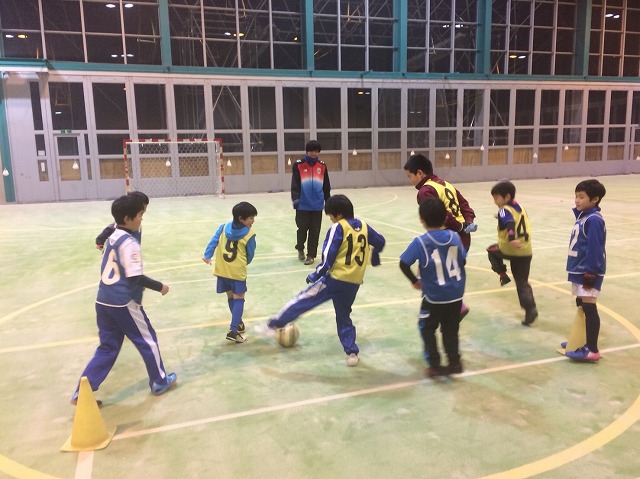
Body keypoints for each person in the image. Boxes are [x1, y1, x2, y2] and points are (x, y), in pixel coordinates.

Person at [71, 194, 175, 405]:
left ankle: (82, 392)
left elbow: (108, 234)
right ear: (128, 218)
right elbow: (135, 277)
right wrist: (160, 287)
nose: (142, 218)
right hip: (124, 302)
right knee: (148, 340)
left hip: (103, 300)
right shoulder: (129, 243)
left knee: (107, 348)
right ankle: (159, 381)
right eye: (140, 214)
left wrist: (100, 239)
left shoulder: (114, 236)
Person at [257, 194, 385, 367]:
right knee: (343, 316)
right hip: (354, 282)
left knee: (302, 300)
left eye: (331, 215)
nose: (330, 219)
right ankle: (352, 352)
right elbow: (381, 242)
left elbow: (328, 256)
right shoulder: (364, 226)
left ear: (338, 214)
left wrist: (316, 274)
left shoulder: (338, 228)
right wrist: (375, 256)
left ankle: (272, 326)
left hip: (335, 280)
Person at [399, 198, 466, 378]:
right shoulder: (455, 237)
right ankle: (455, 362)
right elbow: (462, 260)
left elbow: (404, 263)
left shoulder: (421, 242)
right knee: (451, 330)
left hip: (434, 297)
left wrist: (415, 280)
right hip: (456, 295)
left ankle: (434, 364)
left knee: (427, 328)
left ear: (421, 219)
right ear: (445, 217)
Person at [403, 154, 476, 319]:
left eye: (410, 176)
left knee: (430, 273)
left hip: (445, 239)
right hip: (462, 239)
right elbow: (465, 205)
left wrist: (458, 226)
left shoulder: (425, 191)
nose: (409, 180)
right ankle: (456, 306)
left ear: (420, 173)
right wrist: (467, 224)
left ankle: (434, 310)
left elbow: (439, 213)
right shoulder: (446, 184)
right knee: (451, 273)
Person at [202, 202, 258, 343]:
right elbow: (250, 254)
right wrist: (243, 263)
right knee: (239, 298)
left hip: (222, 269)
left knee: (230, 297)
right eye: (251, 218)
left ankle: (238, 323)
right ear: (241, 219)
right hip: (237, 272)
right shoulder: (249, 234)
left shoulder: (223, 227)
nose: (253, 221)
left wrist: (207, 255)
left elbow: (213, 241)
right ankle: (233, 331)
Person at [564, 179, 606, 362]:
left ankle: (592, 349)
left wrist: (590, 273)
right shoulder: (583, 217)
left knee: (589, 307)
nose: (577, 200)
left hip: (588, 271)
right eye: (576, 196)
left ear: (595, 199)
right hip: (579, 269)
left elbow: (595, 248)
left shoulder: (594, 220)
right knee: (581, 304)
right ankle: (580, 339)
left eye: (581, 197)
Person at [486, 181, 538, 326]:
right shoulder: (520, 208)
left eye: (497, 198)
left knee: (491, 251)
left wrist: (511, 238)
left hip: (509, 248)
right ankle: (530, 309)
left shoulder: (504, 210)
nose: (495, 202)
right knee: (522, 282)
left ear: (507, 197)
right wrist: (499, 217)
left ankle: (502, 275)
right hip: (525, 250)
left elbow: (510, 222)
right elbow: (512, 218)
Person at [291, 140, 331, 265]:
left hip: (317, 205)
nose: (314, 153)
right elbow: (295, 184)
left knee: (315, 231)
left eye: (316, 151)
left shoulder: (322, 166)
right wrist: (296, 199)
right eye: (311, 151)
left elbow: (326, 185)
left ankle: (311, 255)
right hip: (303, 204)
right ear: (307, 151)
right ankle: (300, 247)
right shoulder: (298, 165)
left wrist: (328, 201)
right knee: (302, 229)